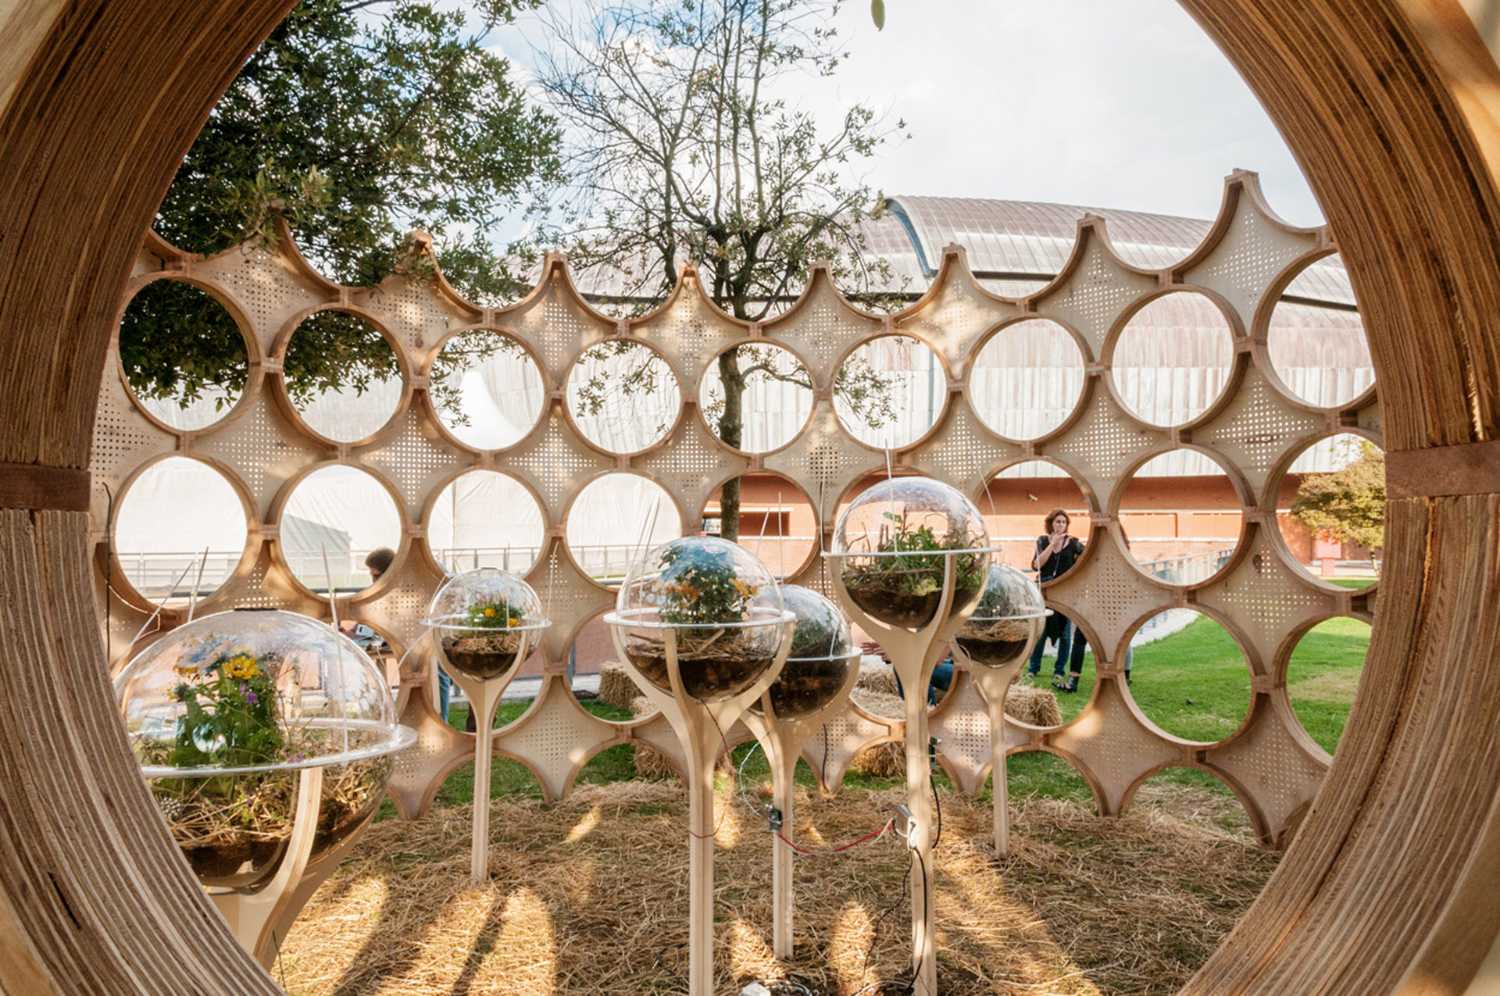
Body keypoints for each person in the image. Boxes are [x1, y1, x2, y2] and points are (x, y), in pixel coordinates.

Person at [1028, 509, 1085, 688]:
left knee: (1065, 634)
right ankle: (1033, 668)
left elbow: (1086, 561)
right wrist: (1052, 544)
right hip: (1045, 591)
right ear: (1051, 523)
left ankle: (1059, 670)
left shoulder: (1074, 543)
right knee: (1041, 630)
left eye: (1063, 522)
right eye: (1057, 521)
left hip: (1066, 594)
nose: (1060, 525)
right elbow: (1037, 565)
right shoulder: (1043, 540)